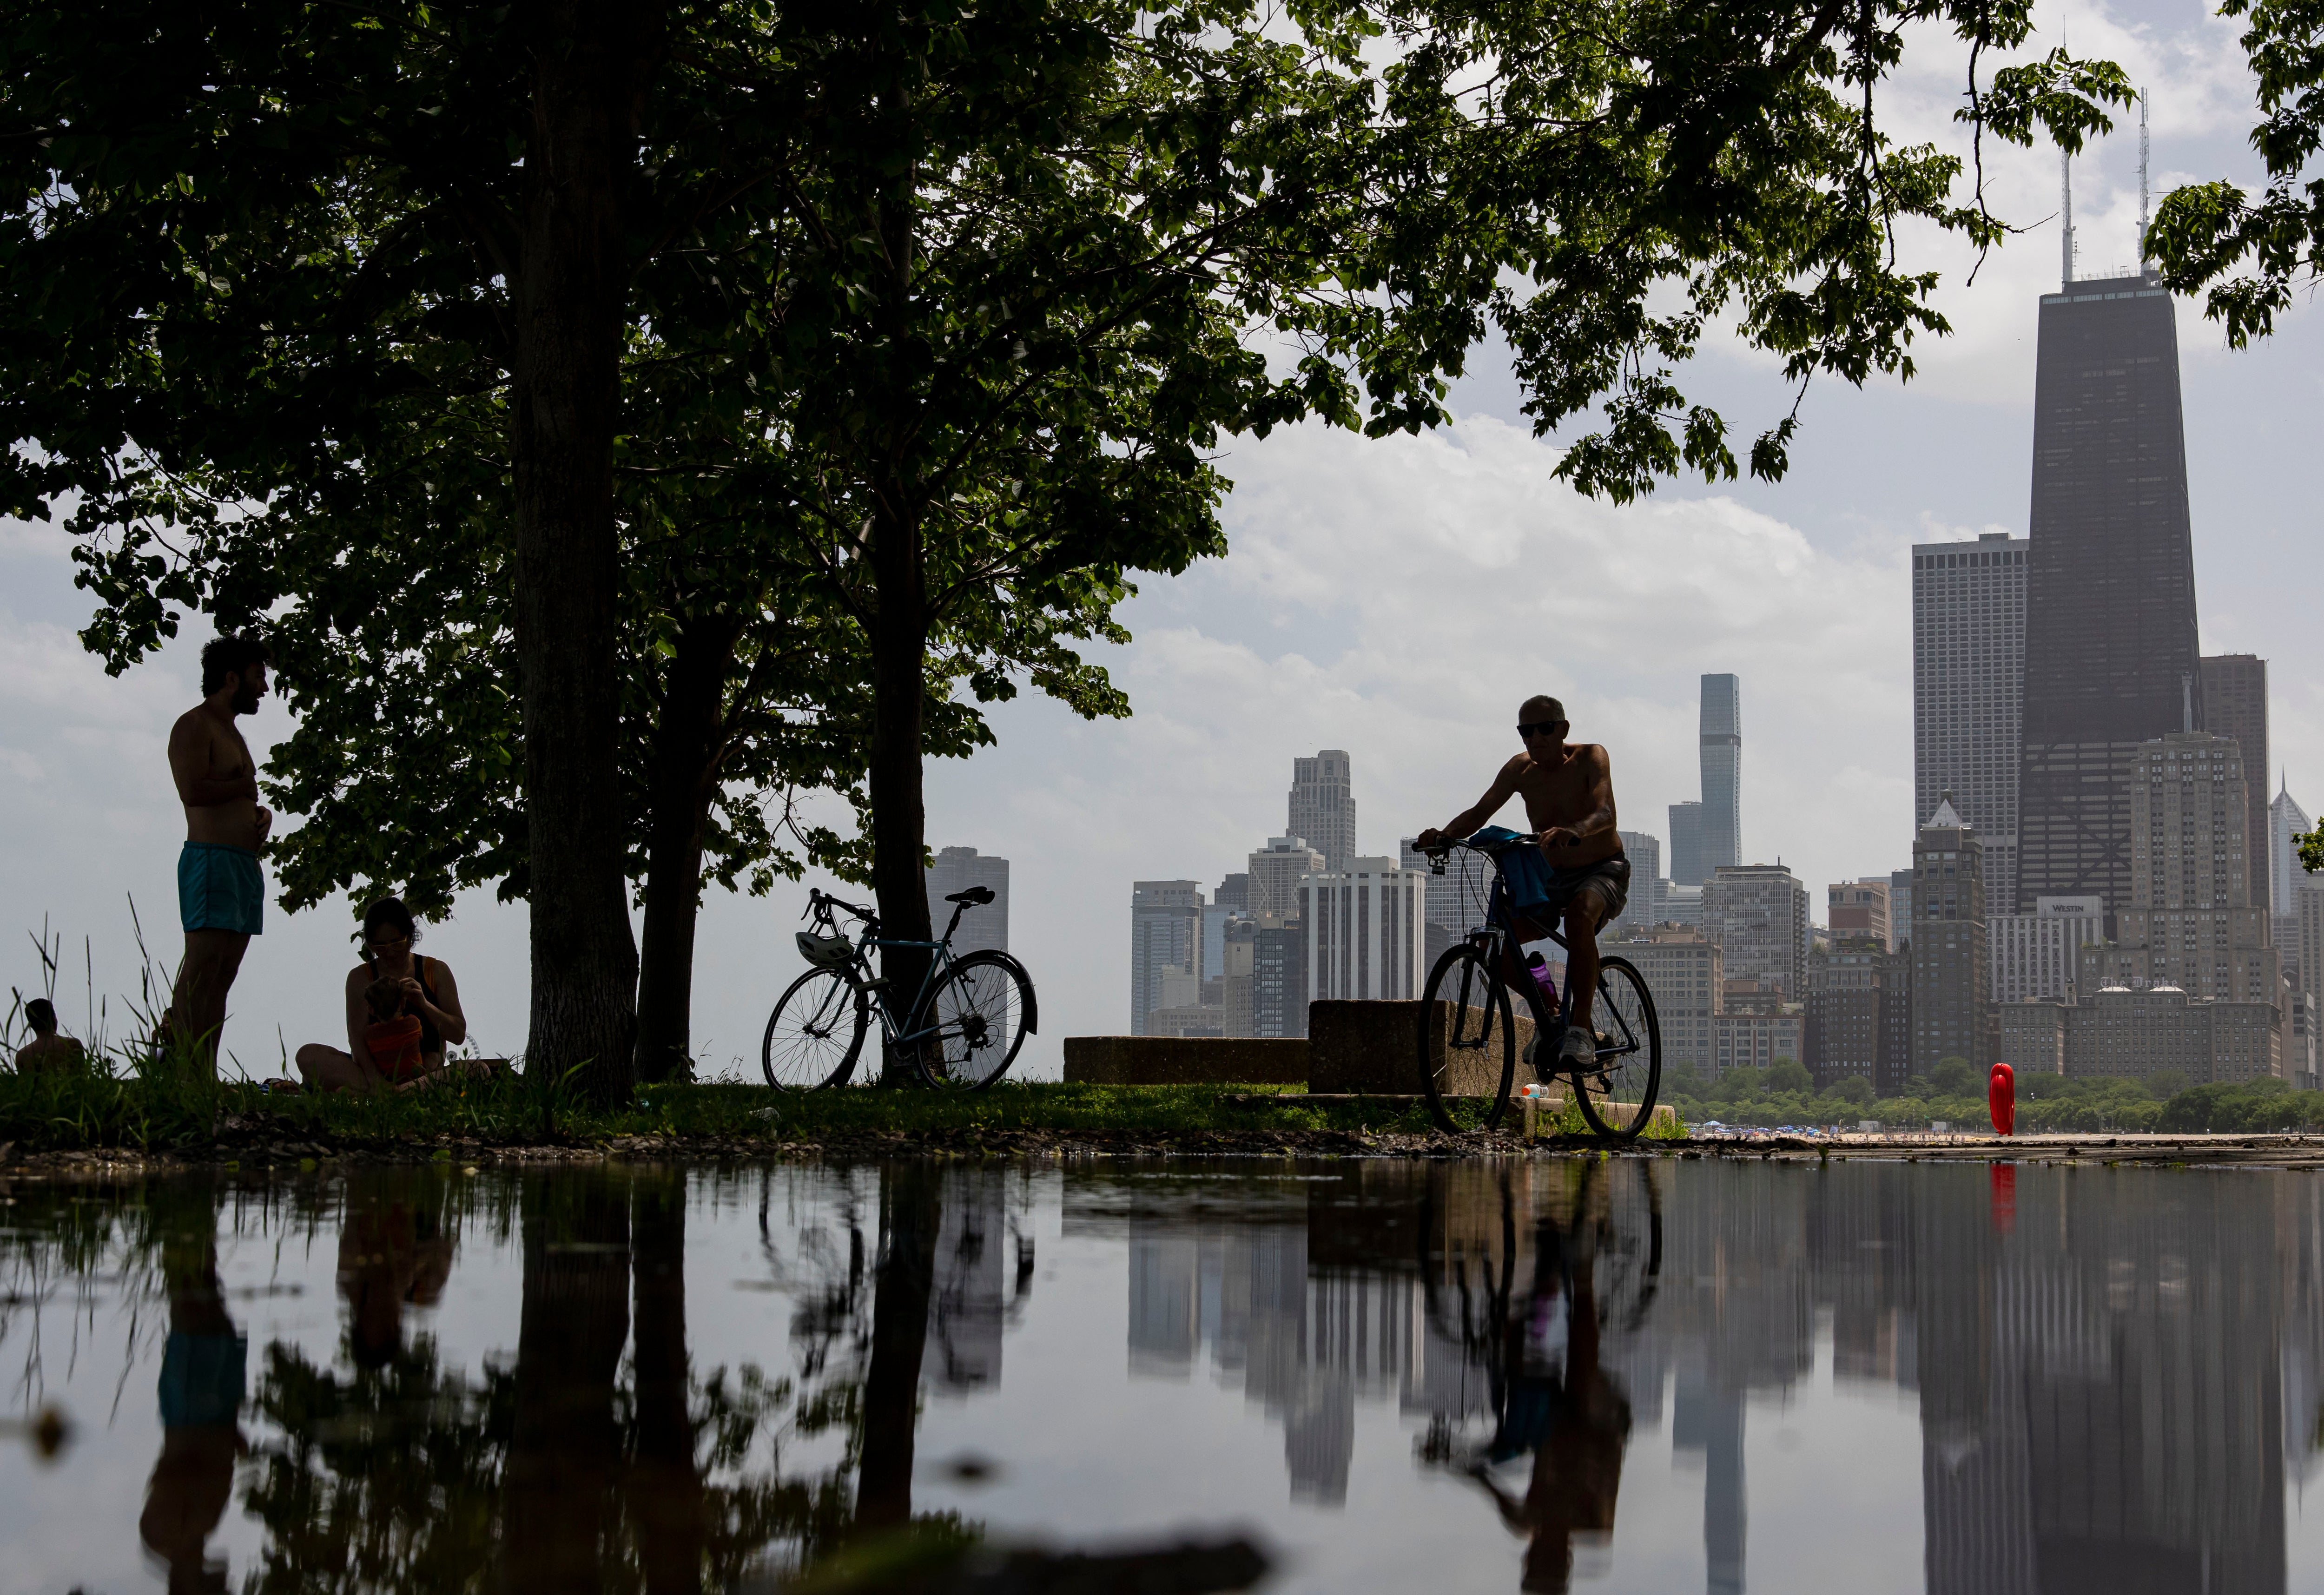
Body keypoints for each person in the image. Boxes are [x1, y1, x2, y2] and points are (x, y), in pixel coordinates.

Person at [1414, 695, 1627, 1073]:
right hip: (1551, 876)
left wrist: (1574, 831)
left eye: (1545, 729)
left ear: (1563, 730)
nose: (1536, 738)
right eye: (1526, 731)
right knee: (1492, 944)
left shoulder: (1591, 757)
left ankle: (1581, 1029)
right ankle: (1550, 1014)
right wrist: (1444, 836)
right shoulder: (1520, 770)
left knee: (1580, 917)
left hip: (1601, 869)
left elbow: (1605, 813)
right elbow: (1480, 813)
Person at [165, 635, 273, 1078]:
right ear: (232, 679)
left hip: (243, 867)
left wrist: (260, 813)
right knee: (200, 974)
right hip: (210, 863)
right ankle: (178, 1075)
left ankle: (202, 1076)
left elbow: (238, 796)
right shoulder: (194, 725)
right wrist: (244, 789)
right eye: (258, 676)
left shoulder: (233, 732)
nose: (264, 688)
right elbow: (193, 791)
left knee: (222, 979)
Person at [294, 896, 473, 1094]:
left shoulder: (436, 971)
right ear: (370, 945)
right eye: (380, 947)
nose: (390, 953)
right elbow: (357, 1038)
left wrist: (424, 1004)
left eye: (397, 943)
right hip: (373, 1076)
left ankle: (391, 1094)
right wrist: (376, 1079)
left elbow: (458, 1035)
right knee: (307, 1055)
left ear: (411, 935)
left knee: (477, 1070)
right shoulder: (360, 977)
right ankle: (389, 1093)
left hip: (425, 1076)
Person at [13, 996, 87, 1076]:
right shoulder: (72, 1045)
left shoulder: (22, 1056)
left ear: (30, 1025)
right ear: (54, 1019)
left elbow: (24, 1086)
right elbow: (82, 1079)